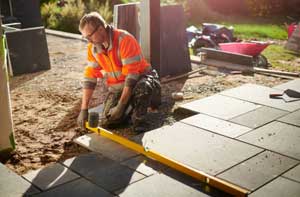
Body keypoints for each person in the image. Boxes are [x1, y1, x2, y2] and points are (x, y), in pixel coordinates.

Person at [77, 12, 161, 132]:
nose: (88, 41)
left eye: (89, 36)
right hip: (120, 87)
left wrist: (121, 105)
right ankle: (131, 105)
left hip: (140, 79)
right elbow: (90, 77)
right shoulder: (93, 48)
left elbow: (132, 78)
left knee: (142, 88)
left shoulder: (124, 39)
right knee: (109, 121)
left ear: (101, 29)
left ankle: (141, 116)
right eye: (85, 37)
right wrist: (84, 109)